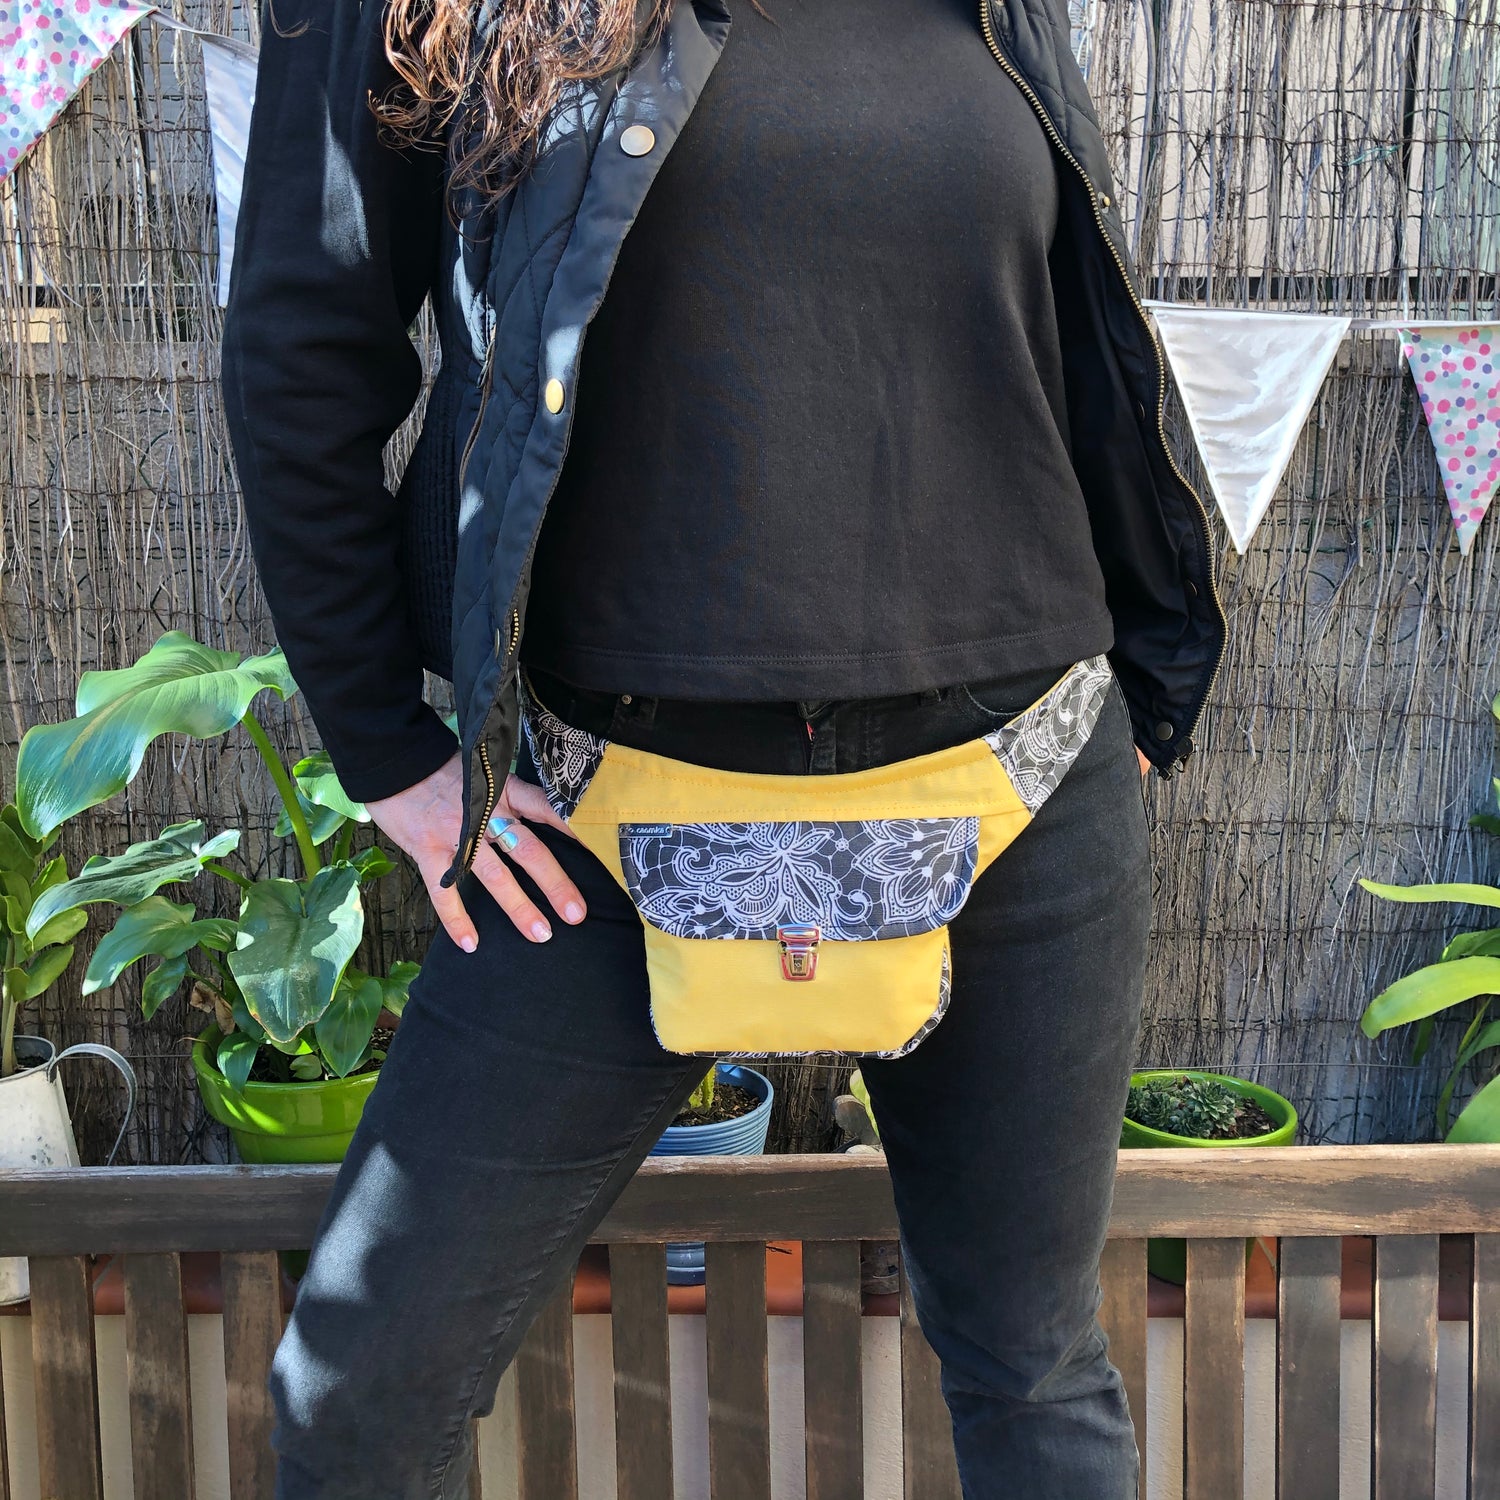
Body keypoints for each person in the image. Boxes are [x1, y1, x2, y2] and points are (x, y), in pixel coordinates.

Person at [220, 0, 1226, 1490]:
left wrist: (1145, 665)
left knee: (1033, 1367)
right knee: (359, 1397)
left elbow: (1067, 307)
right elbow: (301, 345)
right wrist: (385, 747)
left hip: (1019, 778)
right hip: (596, 813)